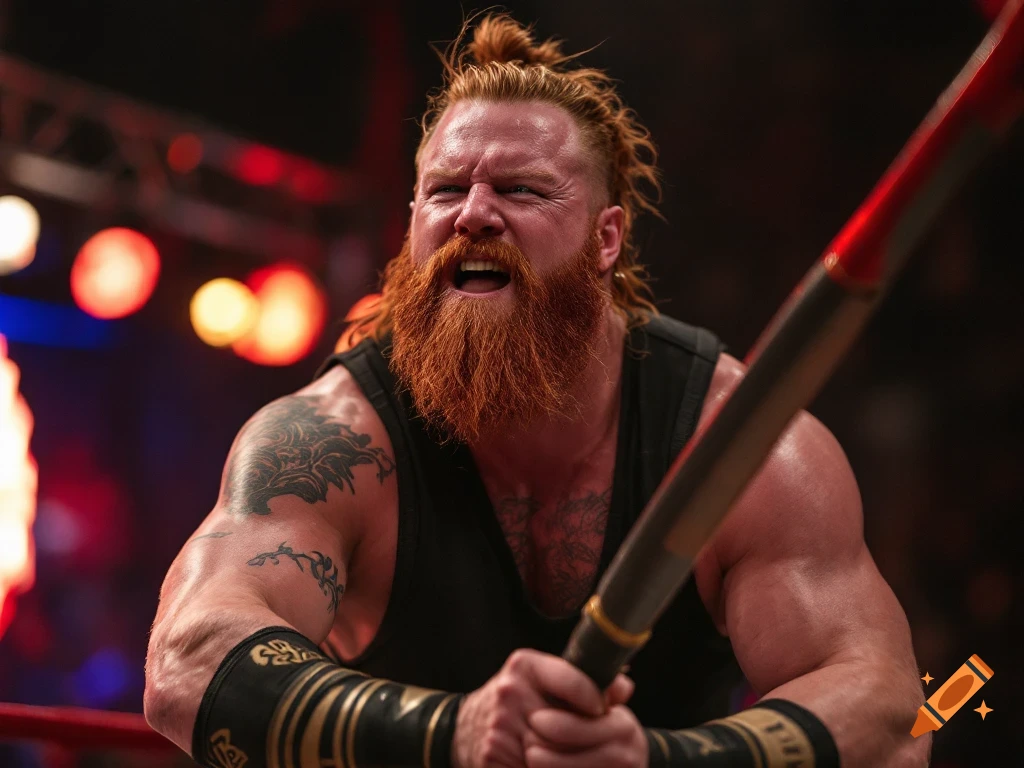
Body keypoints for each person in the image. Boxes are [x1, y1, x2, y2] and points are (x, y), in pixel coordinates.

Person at [145, 14, 930, 768]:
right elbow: (186, 660)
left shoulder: (739, 442)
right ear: (413, 218)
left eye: (522, 190)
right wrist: (454, 733)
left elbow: (893, 717)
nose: (475, 215)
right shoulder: (335, 441)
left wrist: (656, 760)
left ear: (606, 238)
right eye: (446, 191)